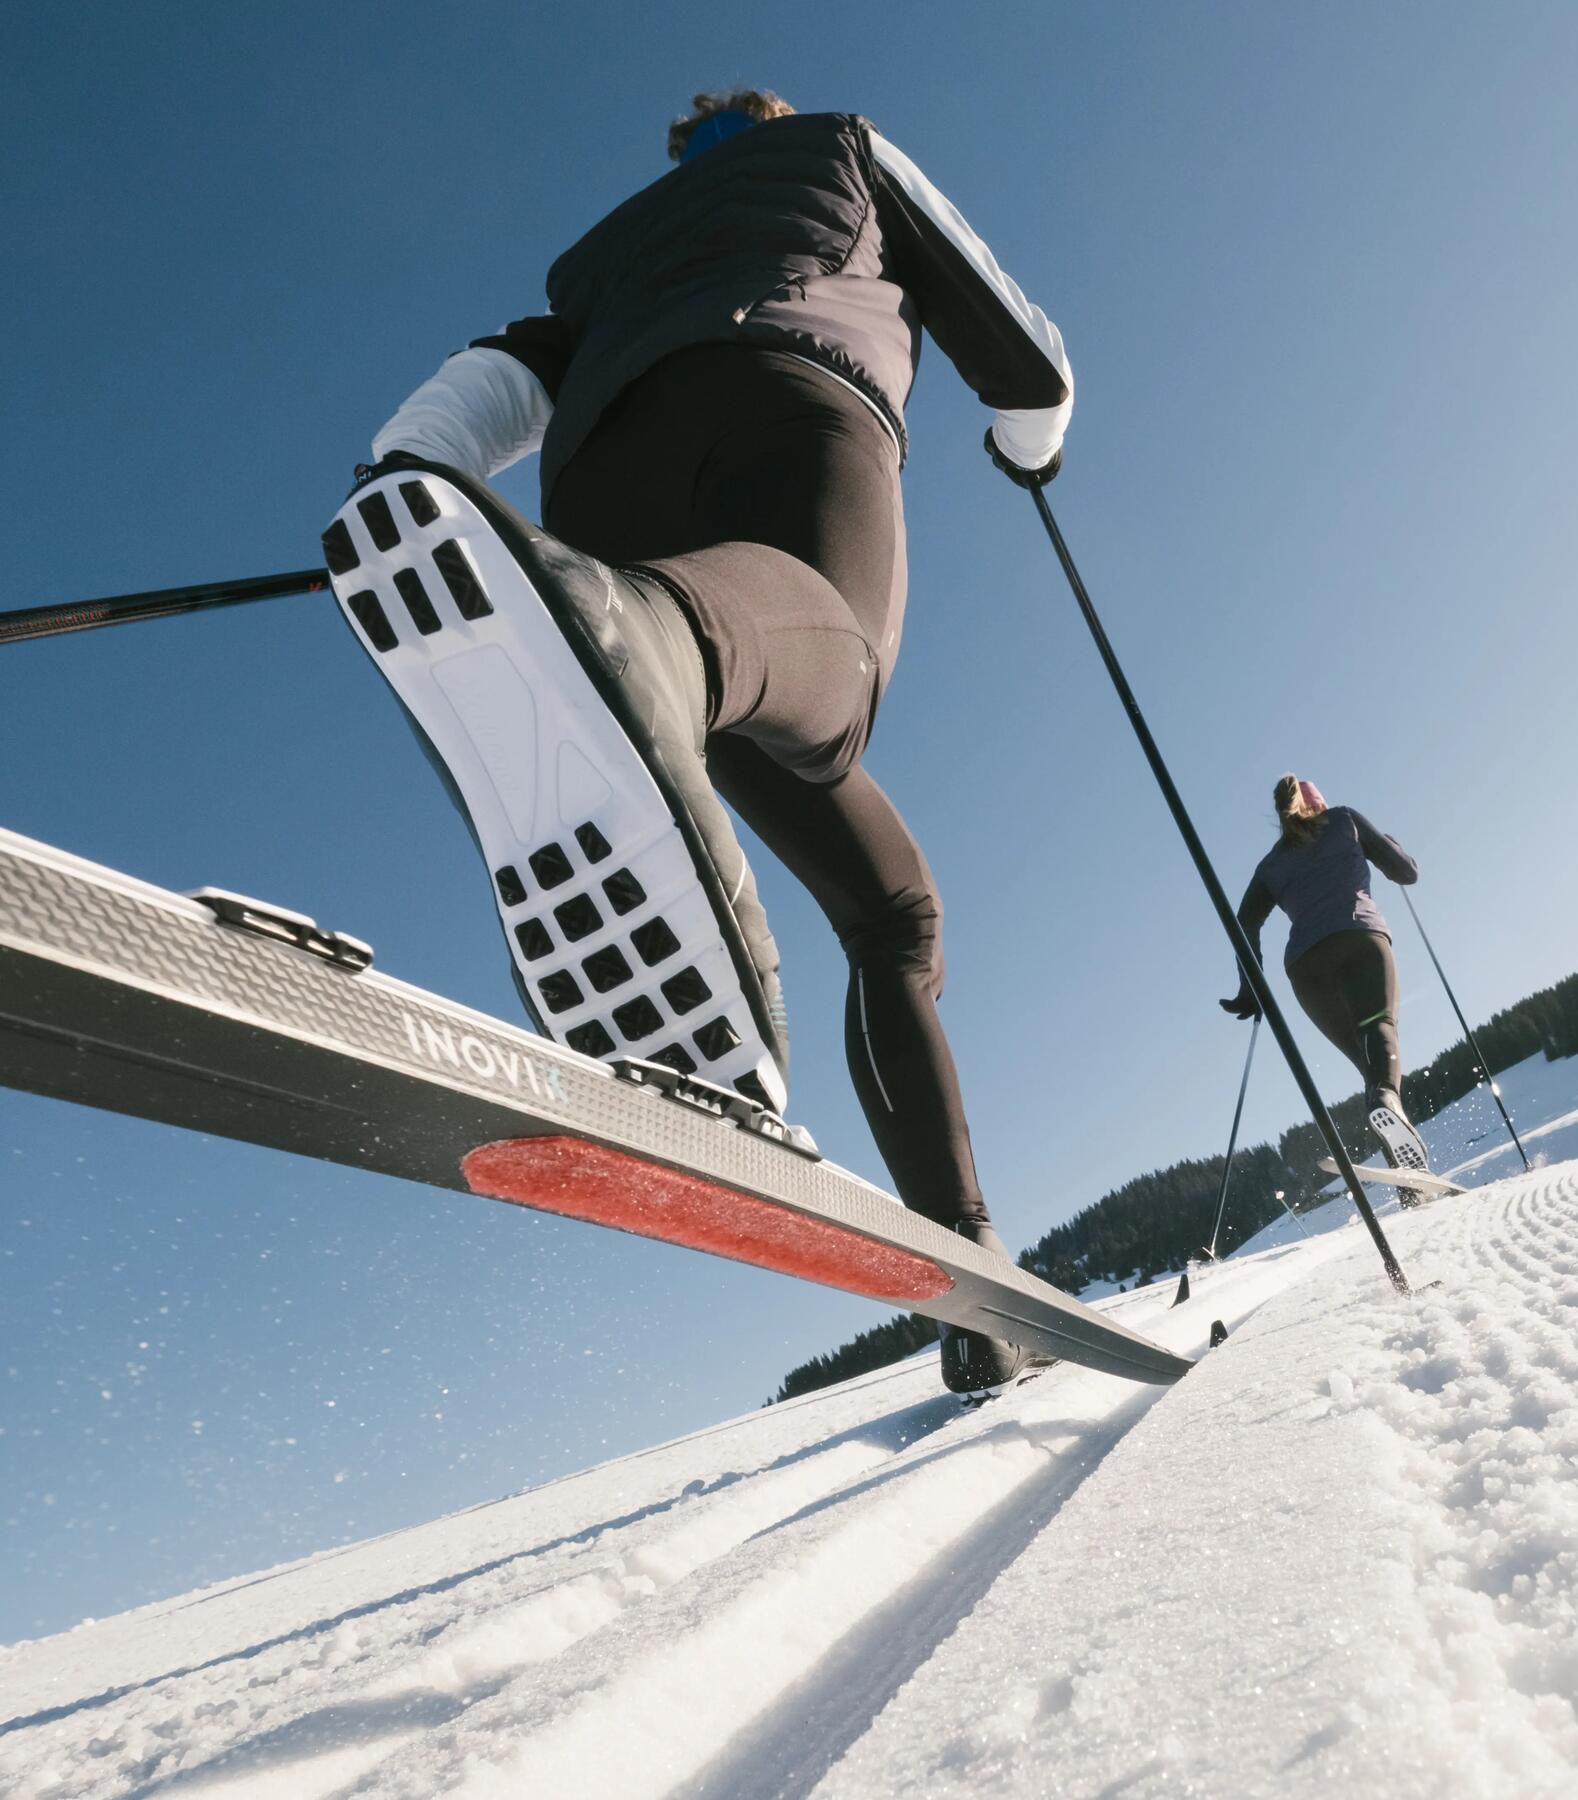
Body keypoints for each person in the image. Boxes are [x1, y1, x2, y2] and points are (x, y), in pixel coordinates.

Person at [320, 90, 1072, 1393]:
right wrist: (1031, 444)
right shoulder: (842, 147)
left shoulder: (602, 258)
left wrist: (407, 474)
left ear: (680, 153)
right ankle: (652, 648)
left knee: (891, 906)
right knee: (821, 669)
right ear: (767, 120)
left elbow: (486, 390)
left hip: (601, 490)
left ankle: (967, 1274)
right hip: (792, 406)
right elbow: (1021, 347)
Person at [1220, 776, 1432, 1181]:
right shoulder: (1343, 820)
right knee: (1379, 1028)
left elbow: (1244, 923)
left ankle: (1409, 1180)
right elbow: (1405, 873)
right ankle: (1389, 1102)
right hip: (1358, 938)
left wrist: (1252, 989)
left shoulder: (1270, 865)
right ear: (1319, 805)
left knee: (1368, 1068)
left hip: (1306, 968)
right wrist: (1392, 846)